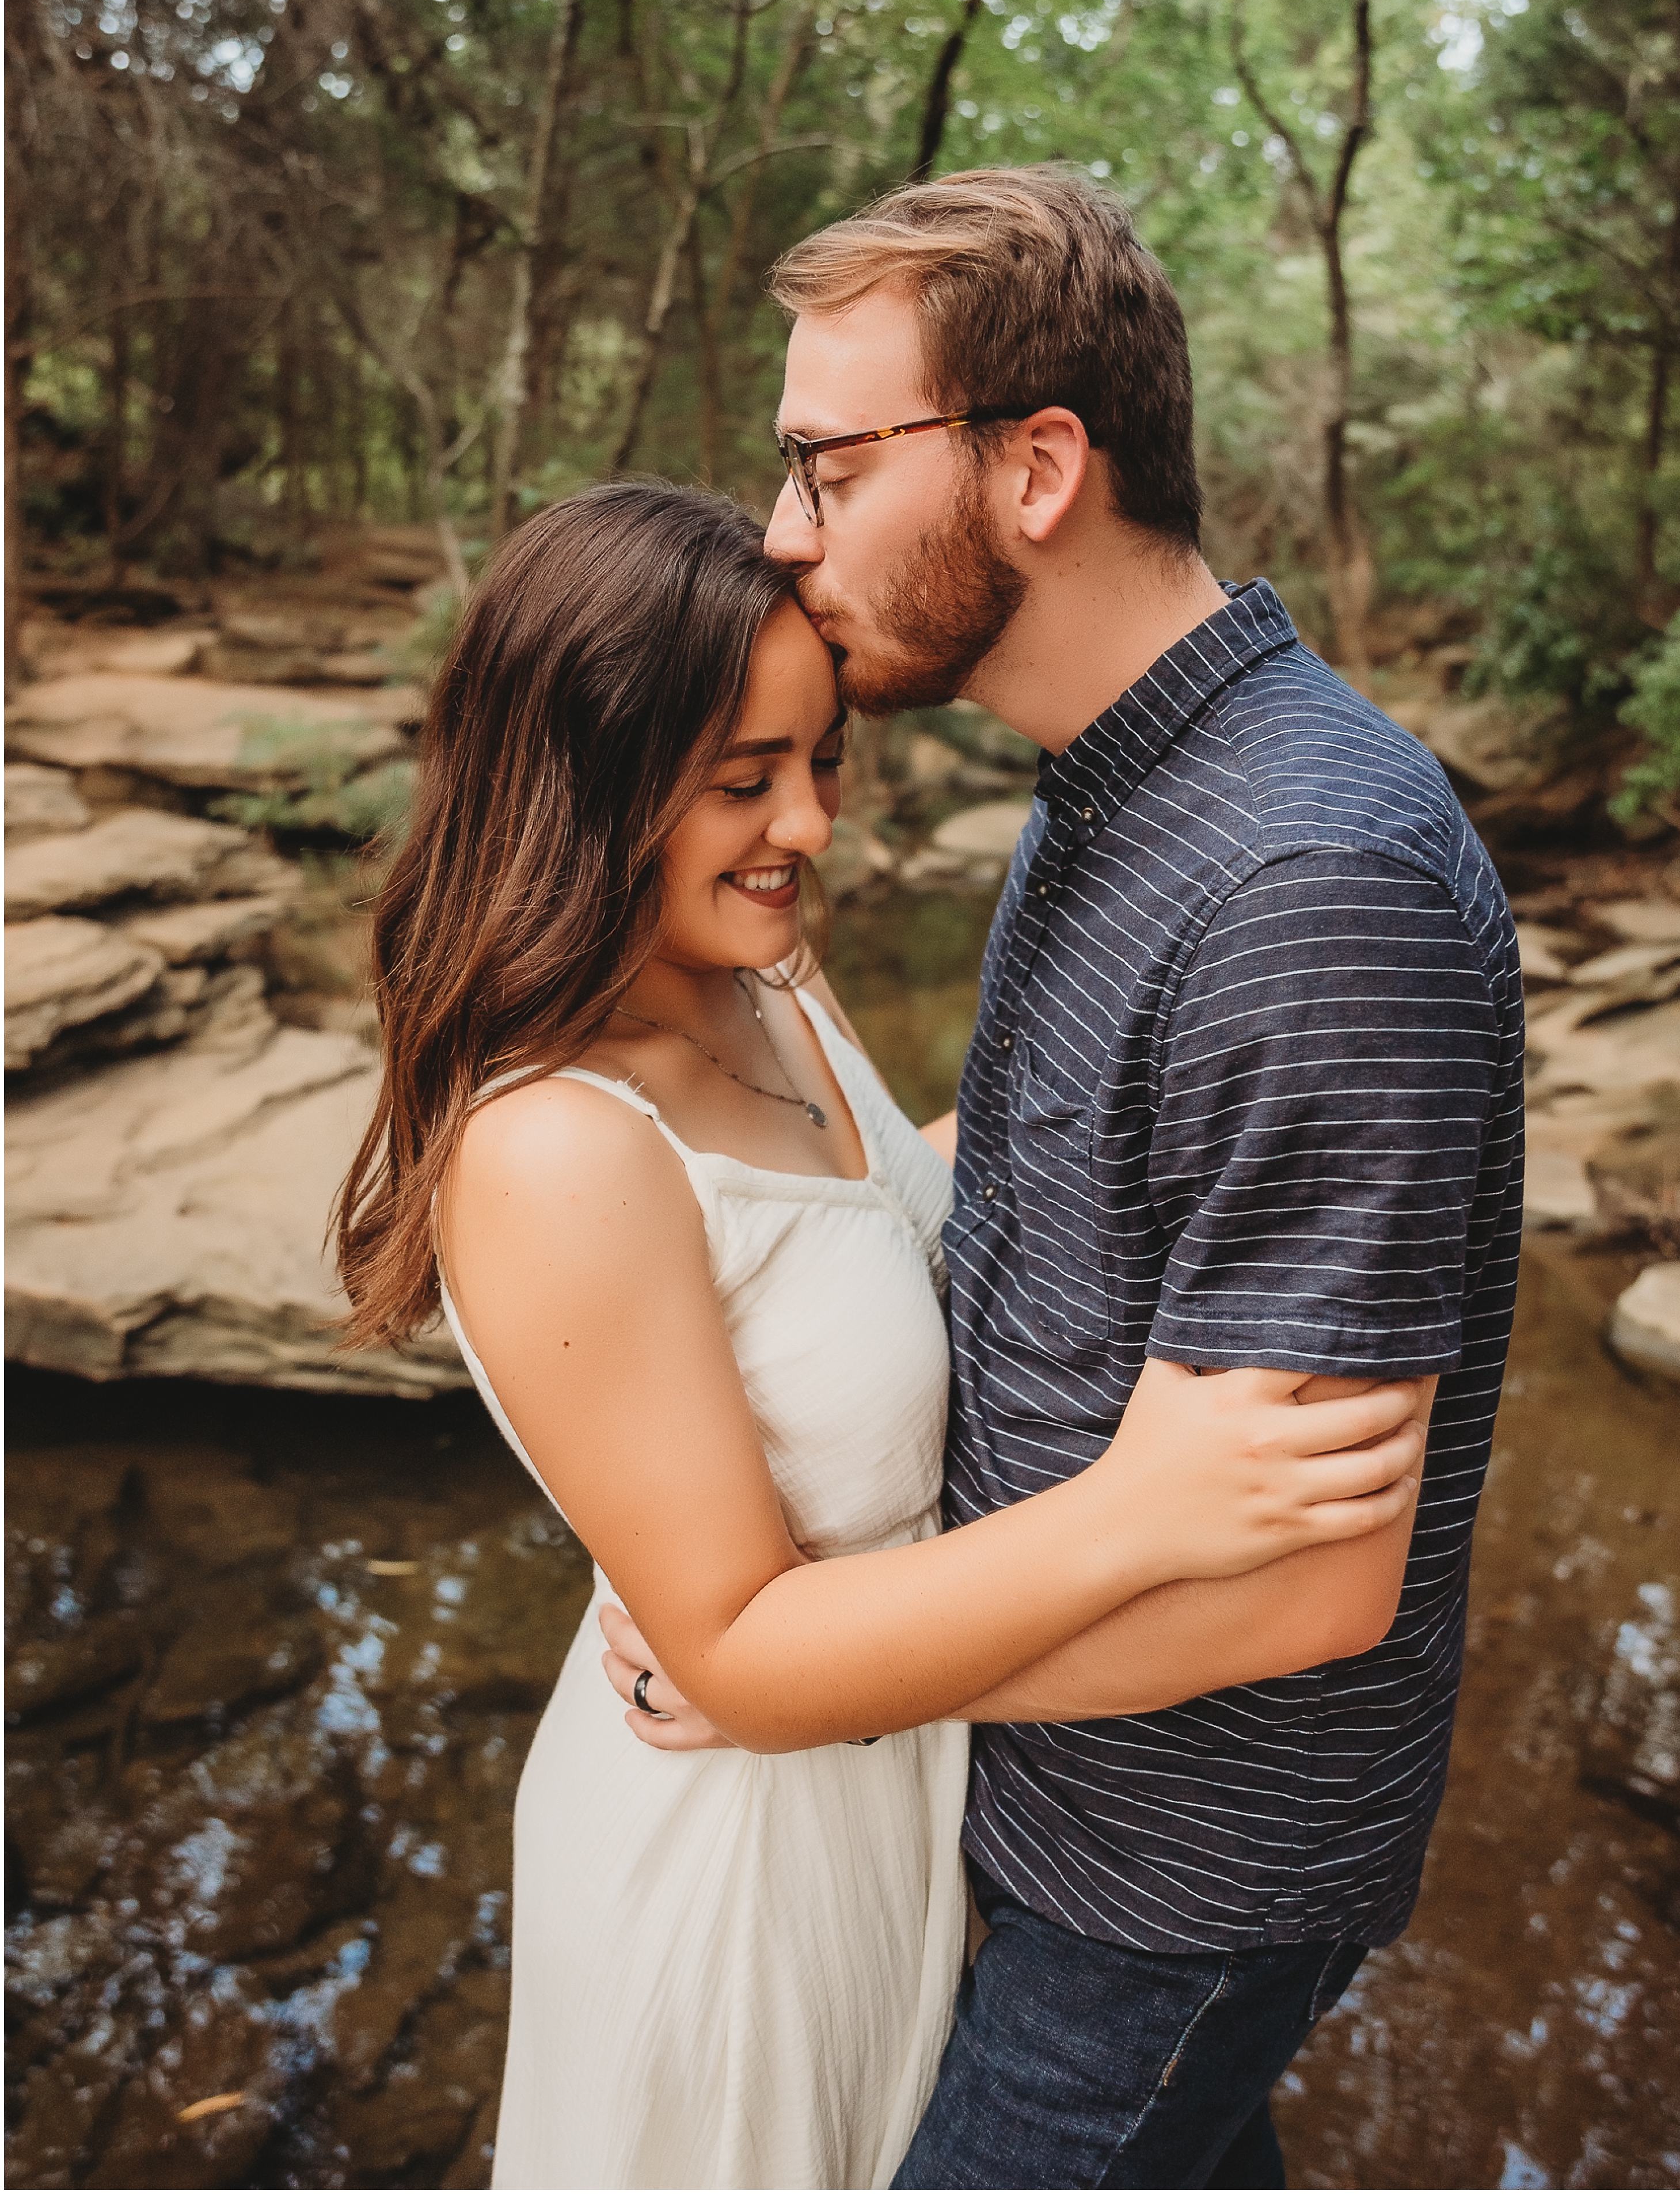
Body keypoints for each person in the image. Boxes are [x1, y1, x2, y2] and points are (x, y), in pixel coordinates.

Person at [336, 477, 1431, 2192]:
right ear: (589, 785)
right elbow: (741, 1652)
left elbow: (885, 1210)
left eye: (822, 759)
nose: (812, 825)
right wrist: (1145, 1508)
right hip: (737, 1882)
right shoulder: (555, 1144)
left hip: (897, 1802)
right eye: (742, 781)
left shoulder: (763, 978)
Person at [608, 163, 1523, 2189]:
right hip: (1045, 1808)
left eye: (827, 464)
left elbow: (1304, 1580)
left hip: (1172, 1878)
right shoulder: (1118, 784)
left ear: (1037, 467)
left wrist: (798, 1674)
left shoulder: (1308, 880)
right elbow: (1046, 1166)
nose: (782, 529)